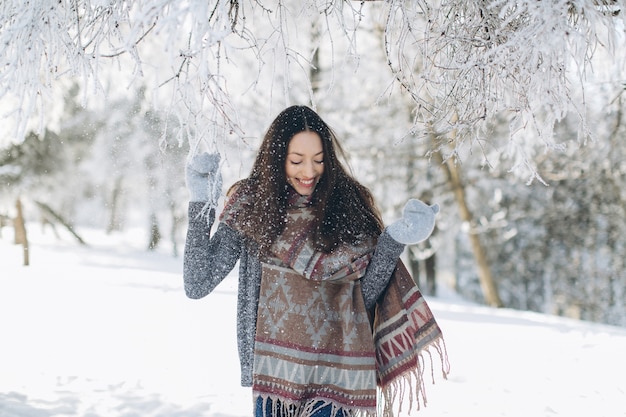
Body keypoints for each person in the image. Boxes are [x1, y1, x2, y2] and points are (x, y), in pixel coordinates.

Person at [184, 105, 448, 417]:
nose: (308, 172)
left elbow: (361, 301)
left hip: (335, 377)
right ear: (276, 157)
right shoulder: (254, 207)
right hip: (272, 379)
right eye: (296, 161)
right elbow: (197, 282)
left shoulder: (346, 206)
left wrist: (393, 241)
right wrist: (203, 200)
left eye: (318, 160)